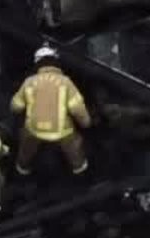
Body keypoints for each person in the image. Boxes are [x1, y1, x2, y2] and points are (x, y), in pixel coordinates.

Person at [11, 46, 93, 176]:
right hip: (61, 131)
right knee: (74, 144)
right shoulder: (65, 82)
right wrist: (86, 123)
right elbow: (77, 108)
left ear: (37, 62)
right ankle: (80, 170)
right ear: (55, 62)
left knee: (26, 143)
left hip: (35, 129)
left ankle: (22, 168)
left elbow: (16, 106)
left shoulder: (29, 82)